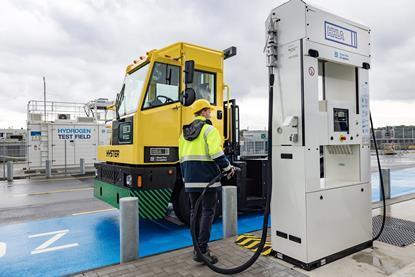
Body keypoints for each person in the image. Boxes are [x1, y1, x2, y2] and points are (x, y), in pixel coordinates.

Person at [179, 99, 236, 264]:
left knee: (194, 212)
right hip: (207, 180)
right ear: (203, 112)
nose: (210, 113)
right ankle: (202, 250)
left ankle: (197, 247)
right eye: (208, 111)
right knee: (207, 211)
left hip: (189, 180)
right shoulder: (209, 130)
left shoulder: (184, 134)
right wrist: (228, 168)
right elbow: (216, 153)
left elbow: (181, 159)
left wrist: (185, 179)